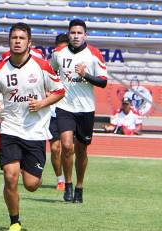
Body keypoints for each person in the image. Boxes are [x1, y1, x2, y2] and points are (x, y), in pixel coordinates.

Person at [0, 22, 65, 231]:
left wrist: (42, 103)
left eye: (21, 38)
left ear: (29, 42)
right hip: (10, 129)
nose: (17, 41)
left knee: (31, 184)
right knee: (10, 176)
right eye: (14, 38)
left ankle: (25, 166)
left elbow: (59, 91)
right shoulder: (0, 69)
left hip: (35, 131)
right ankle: (14, 222)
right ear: (9, 41)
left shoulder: (41, 66)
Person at [50, 19, 108, 203]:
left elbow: (103, 82)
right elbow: (50, 73)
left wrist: (85, 75)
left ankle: (79, 186)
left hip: (86, 109)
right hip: (64, 106)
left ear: (85, 35)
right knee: (66, 146)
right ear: (68, 34)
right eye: (73, 33)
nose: (76, 36)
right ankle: (67, 184)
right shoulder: (58, 53)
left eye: (79, 33)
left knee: (82, 149)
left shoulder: (94, 54)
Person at [49, 33, 69, 191]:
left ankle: (69, 179)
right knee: (55, 148)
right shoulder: (49, 64)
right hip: (52, 111)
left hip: (70, 110)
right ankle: (60, 179)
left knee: (69, 147)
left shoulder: (73, 64)